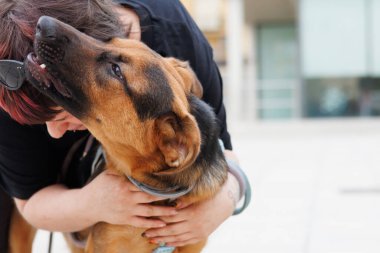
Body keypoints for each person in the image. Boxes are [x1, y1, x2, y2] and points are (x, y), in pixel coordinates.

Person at [0, 0, 247, 251]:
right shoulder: (13, 95)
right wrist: (92, 202)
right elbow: (30, 201)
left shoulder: (179, 41)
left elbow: (224, 152)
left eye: (62, 117)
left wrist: (222, 203)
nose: (54, 132)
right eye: (46, 122)